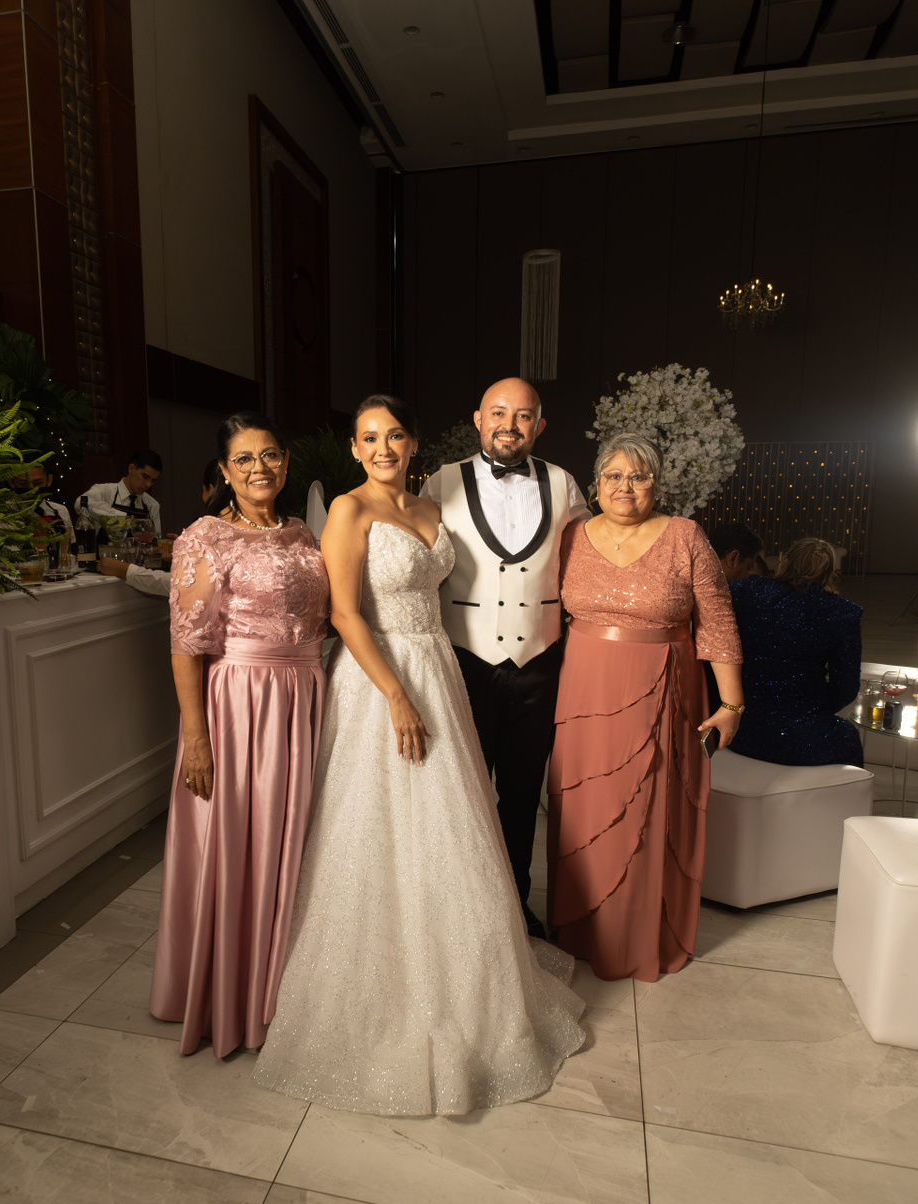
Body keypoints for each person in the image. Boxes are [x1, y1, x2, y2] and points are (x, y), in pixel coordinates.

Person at [254, 394, 584, 1116]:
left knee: (453, 824)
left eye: (395, 435)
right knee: (377, 826)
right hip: (380, 678)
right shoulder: (349, 511)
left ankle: (469, 978)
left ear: (413, 444)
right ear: (354, 447)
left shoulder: (434, 508)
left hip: (440, 668)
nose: (383, 448)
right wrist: (397, 696)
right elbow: (343, 613)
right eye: (369, 437)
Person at [147, 416, 328, 1057]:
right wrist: (196, 738)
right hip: (239, 704)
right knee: (236, 842)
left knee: (293, 841)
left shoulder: (303, 532)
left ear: (286, 461)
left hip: (305, 697)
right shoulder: (205, 536)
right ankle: (228, 994)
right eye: (244, 459)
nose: (259, 468)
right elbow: (186, 644)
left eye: (270, 455)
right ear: (224, 470)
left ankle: (281, 987)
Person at [545, 432, 744, 982]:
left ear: (658, 485)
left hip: (663, 686)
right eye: (614, 475)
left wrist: (732, 704)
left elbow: (717, 621)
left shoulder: (684, 535)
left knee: (646, 813)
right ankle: (581, 931)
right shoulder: (571, 535)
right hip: (584, 689)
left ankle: (637, 938)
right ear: (596, 483)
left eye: (639, 476)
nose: (625, 487)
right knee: (585, 810)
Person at [416, 378, 589, 937]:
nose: (509, 425)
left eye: (523, 415)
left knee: (521, 794)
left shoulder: (564, 482)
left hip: (540, 663)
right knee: (461, 792)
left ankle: (515, 906)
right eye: (498, 413)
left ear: (539, 425)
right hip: (463, 662)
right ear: (478, 418)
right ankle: (460, 911)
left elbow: (589, 562)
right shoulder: (440, 482)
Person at [726, 537, 865, 768]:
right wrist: (811, 712)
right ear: (830, 572)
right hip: (804, 738)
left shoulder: (749, 590)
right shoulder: (843, 612)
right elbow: (846, 687)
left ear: (786, 562)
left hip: (743, 729)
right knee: (849, 737)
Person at [103, 457, 224, 597]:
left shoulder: (211, 528)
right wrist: (186, 554)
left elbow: (185, 584)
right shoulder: (104, 491)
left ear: (210, 490)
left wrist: (125, 570)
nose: (147, 484)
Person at [80, 448, 163, 528]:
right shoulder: (105, 491)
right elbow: (80, 504)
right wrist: (118, 517)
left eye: (153, 481)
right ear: (131, 468)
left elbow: (156, 536)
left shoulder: (152, 505)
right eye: (145, 477)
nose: (148, 484)